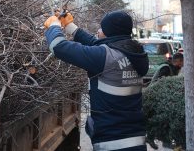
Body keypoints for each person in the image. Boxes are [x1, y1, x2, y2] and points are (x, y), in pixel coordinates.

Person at [43, 10, 149, 151]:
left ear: (109, 32)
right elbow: (97, 45)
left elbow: (59, 47)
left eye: (101, 28)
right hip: (136, 141)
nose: (98, 31)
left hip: (112, 144)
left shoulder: (105, 57)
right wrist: (70, 27)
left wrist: (54, 26)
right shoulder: (135, 53)